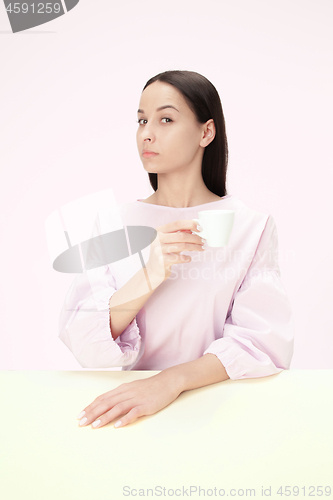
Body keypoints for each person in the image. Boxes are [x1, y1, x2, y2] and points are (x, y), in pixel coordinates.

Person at [59, 70, 294, 430]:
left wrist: (168, 381)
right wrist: (151, 273)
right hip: (130, 415)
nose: (147, 133)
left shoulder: (251, 226)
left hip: (220, 414)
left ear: (206, 132)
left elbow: (263, 344)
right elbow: (84, 341)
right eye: (141, 120)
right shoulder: (113, 224)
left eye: (165, 119)